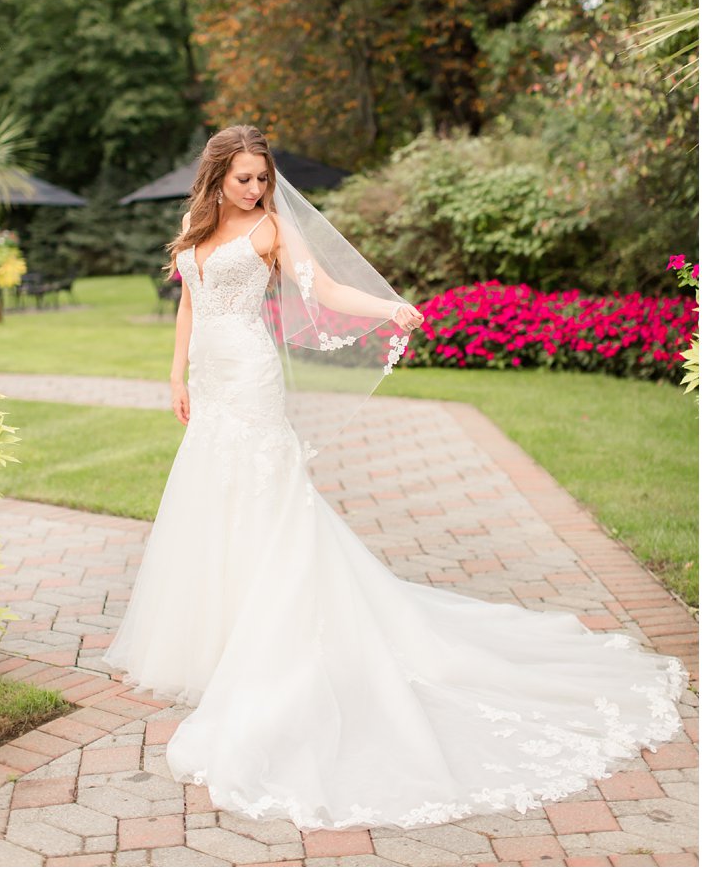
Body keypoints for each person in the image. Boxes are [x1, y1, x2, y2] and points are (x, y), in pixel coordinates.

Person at [103, 124, 685, 830]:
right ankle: (218, 636)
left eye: (263, 177)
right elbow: (190, 305)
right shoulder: (194, 228)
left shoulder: (273, 231)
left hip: (253, 379)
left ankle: (278, 642)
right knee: (213, 499)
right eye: (245, 178)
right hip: (210, 377)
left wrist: (389, 307)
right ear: (218, 174)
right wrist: (173, 375)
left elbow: (328, 291)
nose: (256, 189)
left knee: (267, 499)